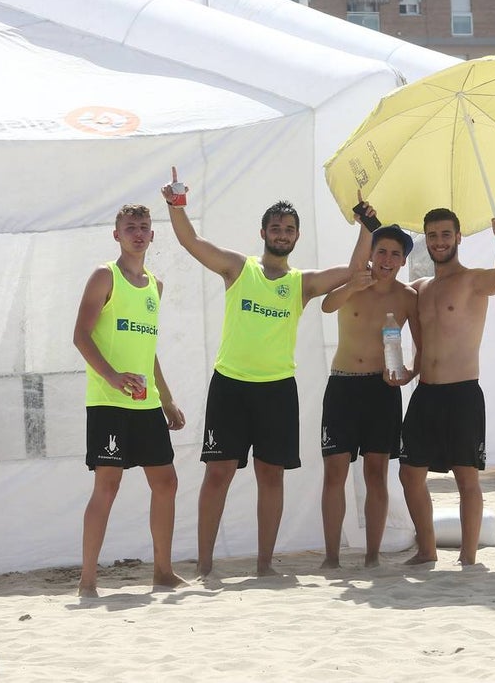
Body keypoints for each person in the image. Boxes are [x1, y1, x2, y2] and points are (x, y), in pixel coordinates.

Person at [163, 176, 371, 577]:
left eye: (289, 229)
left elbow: (351, 269)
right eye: (275, 227)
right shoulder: (238, 268)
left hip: (277, 390)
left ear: (297, 237)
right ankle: (204, 565)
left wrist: (366, 223)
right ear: (263, 232)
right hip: (230, 385)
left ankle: (263, 565)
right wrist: (177, 203)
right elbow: (192, 243)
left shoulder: (302, 283)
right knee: (218, 473)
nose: (282, 234)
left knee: (270, 474)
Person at [73, 204, 187, 597]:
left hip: (146, 403)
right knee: (107, 485)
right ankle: (87, 581)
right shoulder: (105, 276)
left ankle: (163, 572)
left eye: (144, 227)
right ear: (116, 234)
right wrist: (113, 377)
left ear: (153, 236)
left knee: (167, 482)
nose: (138, 233)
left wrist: (167, 399)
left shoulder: (155, 286)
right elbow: (81, 337)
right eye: (130, 227)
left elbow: (147, 349)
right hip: (108, 402)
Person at [399, 208, 495, 567]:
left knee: (467, 478)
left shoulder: (472, 280)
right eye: (432, 235)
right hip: (426, 392)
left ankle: (468, 556)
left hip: (462, 392)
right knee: (409, 474)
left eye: (446, 234)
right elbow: (382, 286)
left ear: (458, 237)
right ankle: (427, 549)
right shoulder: (420, 289)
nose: (439, 241)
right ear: (426, 241)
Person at [319, 224, 420, 569]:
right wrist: (351, 285)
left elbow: (421, 344)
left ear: (404, 261)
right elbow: (327, 307)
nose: (387, 260)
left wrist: (409, 372)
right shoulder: (355, 281)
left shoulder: (407, 297)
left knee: (376, 473)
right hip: (343, 384)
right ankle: (331, 557)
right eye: (381, 252)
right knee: (335, 472)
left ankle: (372, 556)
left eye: (395, 254)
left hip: (382, 390)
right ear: (371, 254)